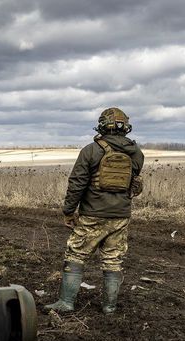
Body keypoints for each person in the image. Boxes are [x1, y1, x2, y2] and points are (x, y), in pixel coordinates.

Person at [45, 107, 144, 315]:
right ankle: (109, 307)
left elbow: (77, 184)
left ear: (102, 125)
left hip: (92, 214)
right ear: (125, 127)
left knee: (76, 254)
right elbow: (134, 184)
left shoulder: (91, 150)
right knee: (113, 259)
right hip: (121, 216)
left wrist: (69, 211)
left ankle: (66, 302)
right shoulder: (136, 153)